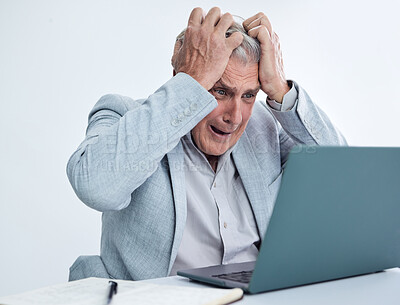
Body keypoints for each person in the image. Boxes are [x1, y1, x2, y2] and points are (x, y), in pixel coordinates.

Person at [67, 7, 346, 281]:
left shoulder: (263, 125)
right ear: (184, 79)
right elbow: (96, 188)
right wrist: (192, 82)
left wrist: (281, 91)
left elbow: (343, 175)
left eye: (249, 95)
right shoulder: (123, 115)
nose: (234, 117)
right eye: (220, 91)